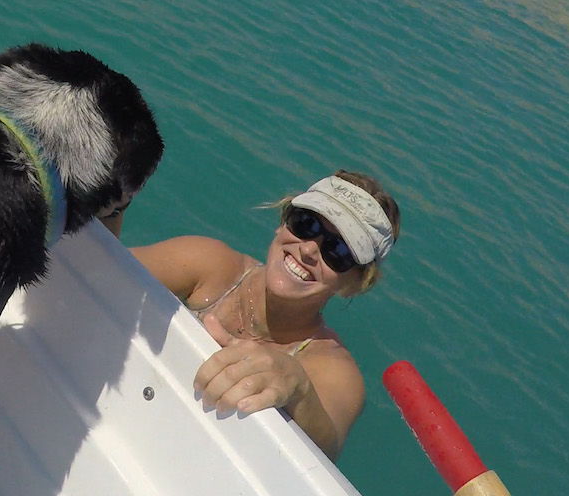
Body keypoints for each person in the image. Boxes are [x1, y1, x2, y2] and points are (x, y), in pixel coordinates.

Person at [120, 171, 401, 460]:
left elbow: (325, 450)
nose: (308, 249)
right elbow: (106, 269)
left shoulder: (332, 368)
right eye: (306, 223)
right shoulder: (209, 266)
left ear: (354, 284)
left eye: (337, 251)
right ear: (283, 222)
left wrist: (299, 388)